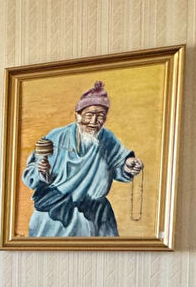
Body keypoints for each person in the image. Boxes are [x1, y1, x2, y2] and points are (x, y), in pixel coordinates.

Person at [22, 80, 143, 236]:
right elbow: (31, 174)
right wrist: (41, 172)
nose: (94, 122)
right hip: (55, 213)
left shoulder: (107, 139)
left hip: (95, 214)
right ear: (77, 116)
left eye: (100, 116)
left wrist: (128, 165)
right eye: (89, 115)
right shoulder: (56, 137)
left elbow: (119, 164)